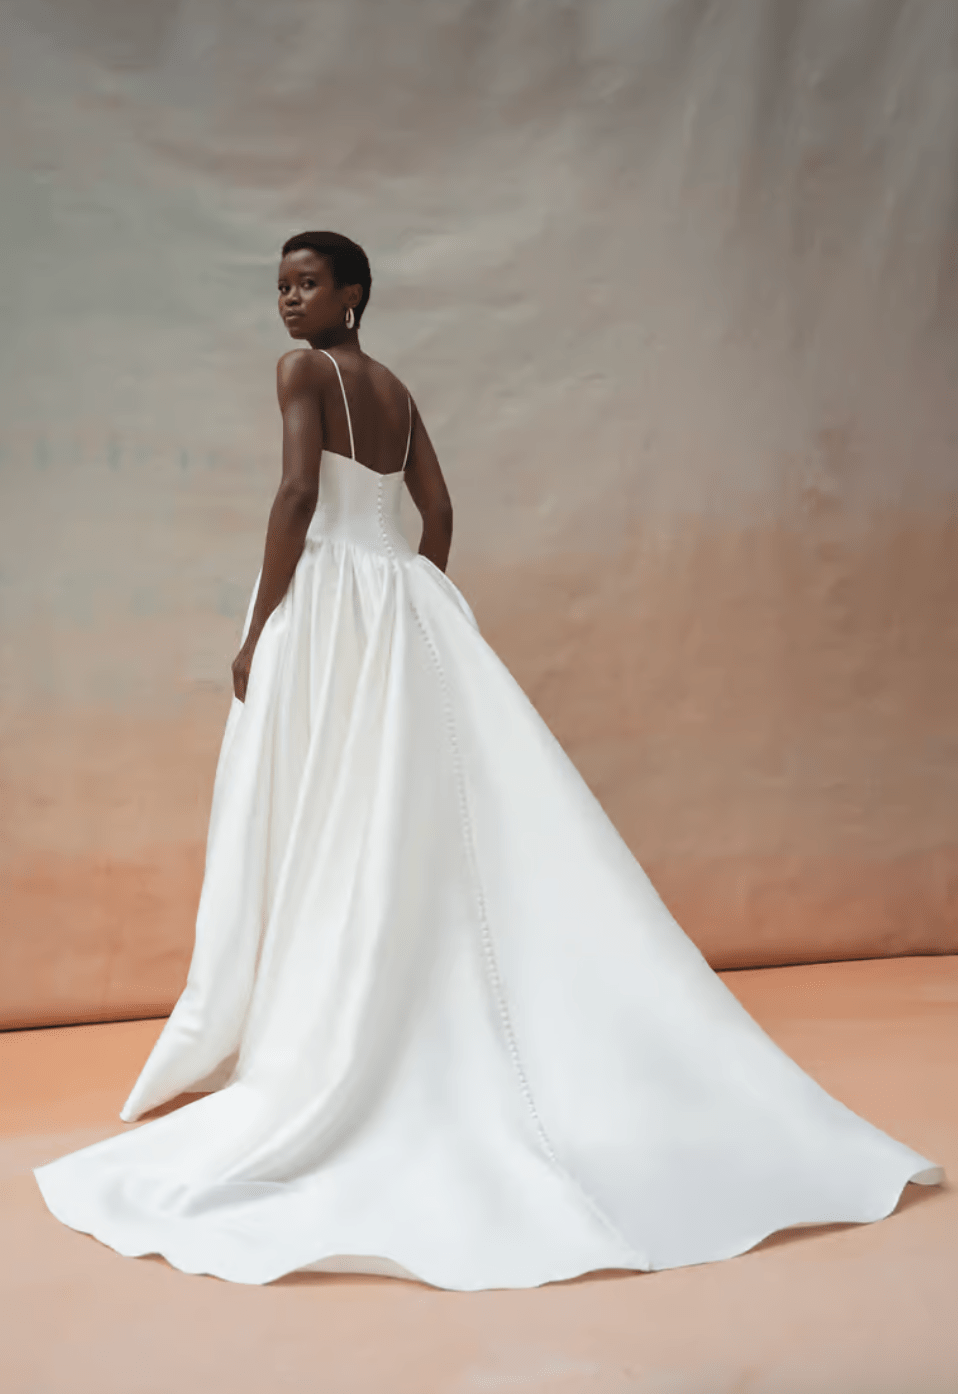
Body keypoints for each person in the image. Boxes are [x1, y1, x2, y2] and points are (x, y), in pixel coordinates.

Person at [34, 231, 943, 1290]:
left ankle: (332, 1019)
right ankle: (388, 997)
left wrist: (263, 623)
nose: (287, 300)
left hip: (328, 601)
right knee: (403, 809)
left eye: (307, 282)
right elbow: (442, 511)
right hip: (403, 605)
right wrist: (412, 593)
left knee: (329, 806)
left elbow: (293, 497)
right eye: (279, 285)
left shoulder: (303, 373)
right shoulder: (396, 387)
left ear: (352, 294)